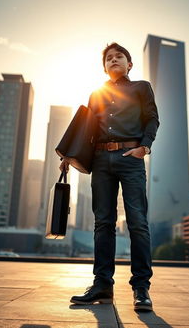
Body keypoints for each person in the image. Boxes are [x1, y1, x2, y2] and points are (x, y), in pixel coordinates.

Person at [60, 42, 159, 311]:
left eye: (119, 57)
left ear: (130, 64)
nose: (114, 60)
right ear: (104, 67)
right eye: (109, 58)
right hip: (101, 160)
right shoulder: (96, 93)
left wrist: (144, 147)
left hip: (131, 158)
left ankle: (141, 288)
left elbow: (152, 119)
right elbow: (86, 129)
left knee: (137, 222)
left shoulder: (141, 87)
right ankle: (102, 284)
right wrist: (69, 155)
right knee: (103, 223)